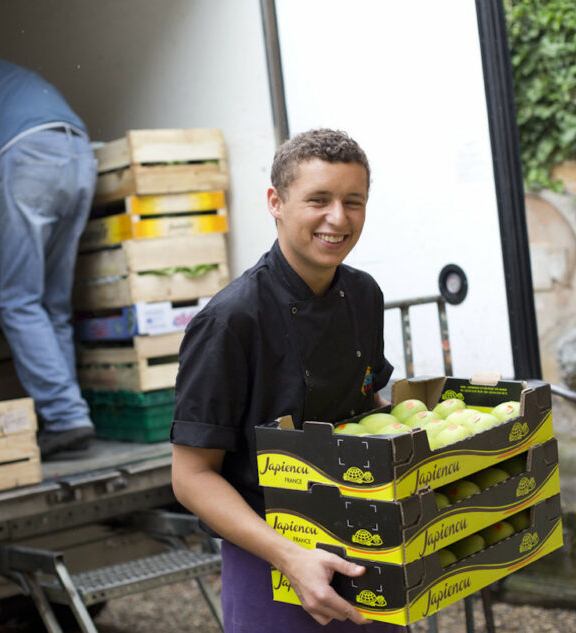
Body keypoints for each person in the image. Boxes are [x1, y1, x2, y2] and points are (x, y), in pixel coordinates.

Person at [171, 129, 403, 632]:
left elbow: (369, 406)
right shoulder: (230, 322)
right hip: (269, 559)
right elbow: (190, 477)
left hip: (367, 544)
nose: (338, 218)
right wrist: (289, 557)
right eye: (318, 199)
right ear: (276, 202)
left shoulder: (364, 294)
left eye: (353, 201)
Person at [0, 50, 97, 458]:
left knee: (19, 302)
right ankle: (67, 416)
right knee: (51, 304)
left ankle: (65, 417)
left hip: (29, 158)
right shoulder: (10, 73)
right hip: (79, 155)